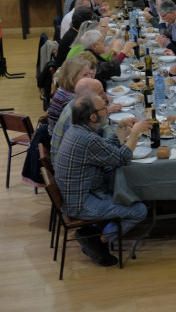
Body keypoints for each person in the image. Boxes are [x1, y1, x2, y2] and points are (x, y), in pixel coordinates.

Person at [54, 94, 152, 267]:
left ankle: (94, 232)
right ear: (93, 116)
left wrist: (122, 129)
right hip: (81, 203)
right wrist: (135, 133)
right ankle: (98, 240)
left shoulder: (78, 130)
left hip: (77, 195)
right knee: (139, 210)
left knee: (123, 190)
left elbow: (106, 149)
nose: (107, 112)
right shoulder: (87, 139)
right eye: (104, 109)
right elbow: (122, 158)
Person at [50, 77, 129, 161]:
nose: (105, 95)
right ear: (87, 97)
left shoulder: (79, 104)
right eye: (100, 93)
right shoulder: (75, 118)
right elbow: (119, 157)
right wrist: (133, 134)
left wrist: (120, 131)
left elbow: (103, 127)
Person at [48, 56, 96, 132]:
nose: (90, 77)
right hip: (62, 140)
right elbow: (83, 127)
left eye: (89, 73)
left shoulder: (65, 89)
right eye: (85, 75)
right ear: (72, 78)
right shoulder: (70, 99)